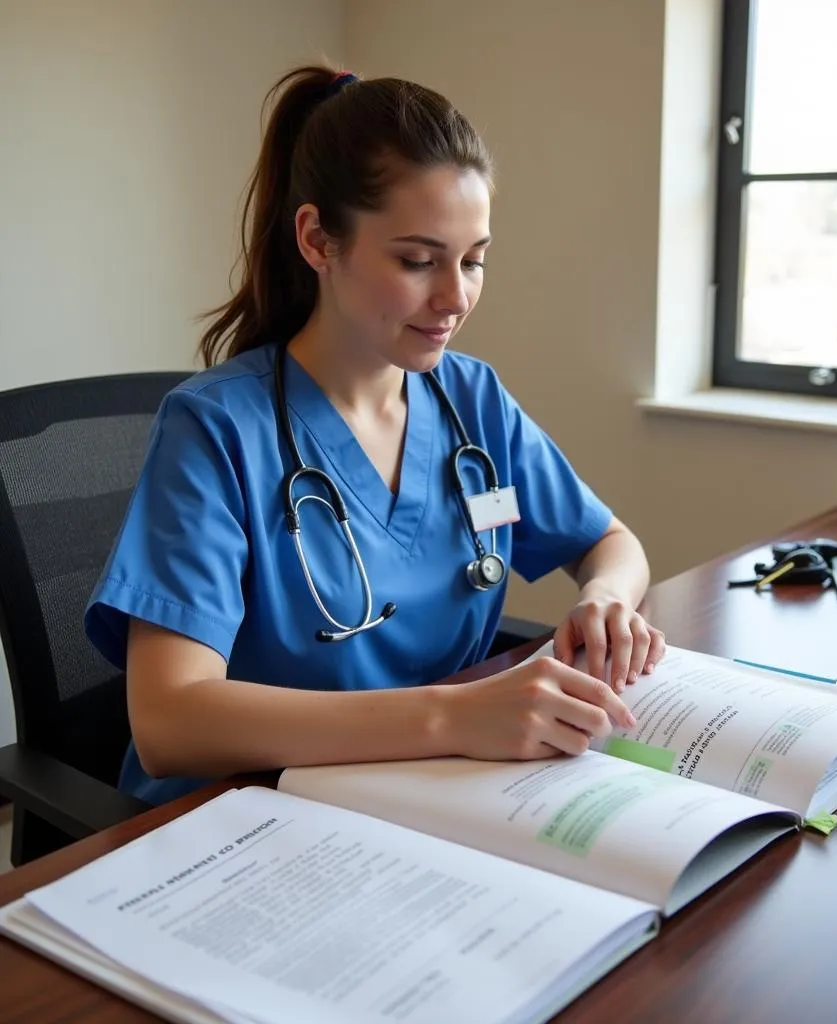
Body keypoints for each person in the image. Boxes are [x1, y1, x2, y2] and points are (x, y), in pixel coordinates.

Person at [85, 66, 666, 804]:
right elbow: (170, 723)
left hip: (427, 790)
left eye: (474, 260)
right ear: (318, 240)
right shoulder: (217, 430)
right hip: (247, 816)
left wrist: (606, 601)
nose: (455, 298)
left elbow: (609, 544)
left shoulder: (471, 399)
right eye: (418, 261)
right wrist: (452, 716)